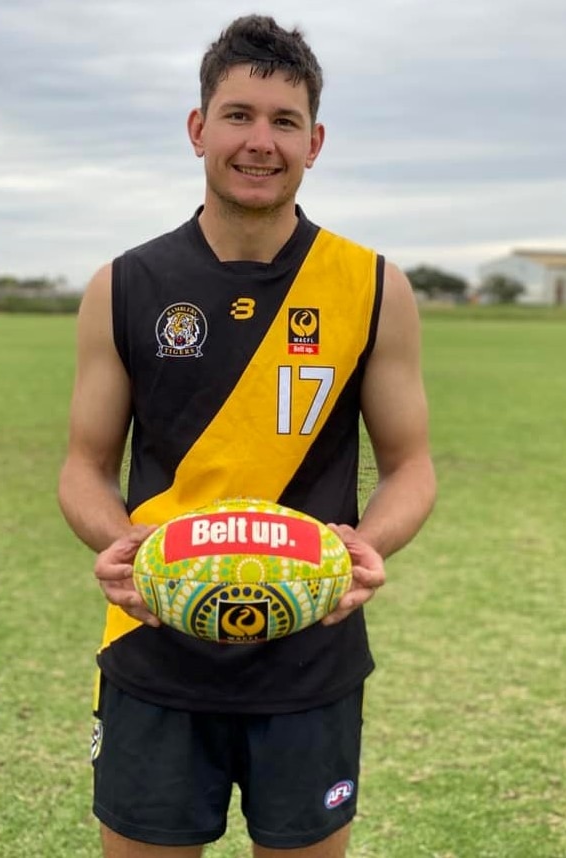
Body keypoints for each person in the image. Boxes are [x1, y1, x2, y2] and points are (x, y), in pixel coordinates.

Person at [58, 14, 436, 858]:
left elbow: (411, 466)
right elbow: (84, 467)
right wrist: (121, 544)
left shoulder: (372, 285)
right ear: (198, 130)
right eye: (238, 115)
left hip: (311, 659)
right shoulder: (125, 284)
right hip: (156, 647)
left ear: (315, 140)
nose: (259, 142)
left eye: (284, 121)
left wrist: (369, 545)